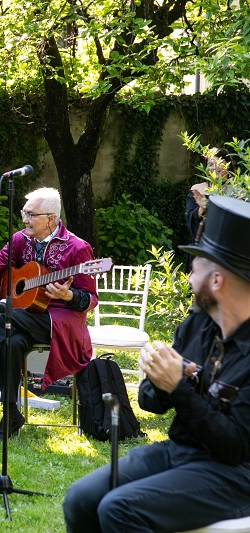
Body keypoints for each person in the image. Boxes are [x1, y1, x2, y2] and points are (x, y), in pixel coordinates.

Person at [63, 195, 250, 533]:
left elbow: (233, 447)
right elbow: (150, 401)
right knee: (80, 499)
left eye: (195, 267)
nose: (189, 278)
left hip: (235, 474)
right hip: (180, 450)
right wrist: (162, 378)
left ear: (217, 280)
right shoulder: (197, 325)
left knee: (119, 510)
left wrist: (179, 387)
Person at [0, 187, 98, 441]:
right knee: (10, 342)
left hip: (58, 323)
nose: (24, 219)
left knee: (5, 315)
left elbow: (91, 299)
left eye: (31, 215)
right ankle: (10, 414)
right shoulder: (20, 240)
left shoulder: (78, 248)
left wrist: (68, 296)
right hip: (22, 317)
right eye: (24, 213)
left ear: (51, 218)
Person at [184, 147, 235, 272]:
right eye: (211, 164)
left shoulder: (237, 191)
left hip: (227, 252)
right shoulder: (198, 189)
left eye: (219, 163)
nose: (214, 168)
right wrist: (201, 209)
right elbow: (189, 218)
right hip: (202, 250)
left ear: (228, 165)